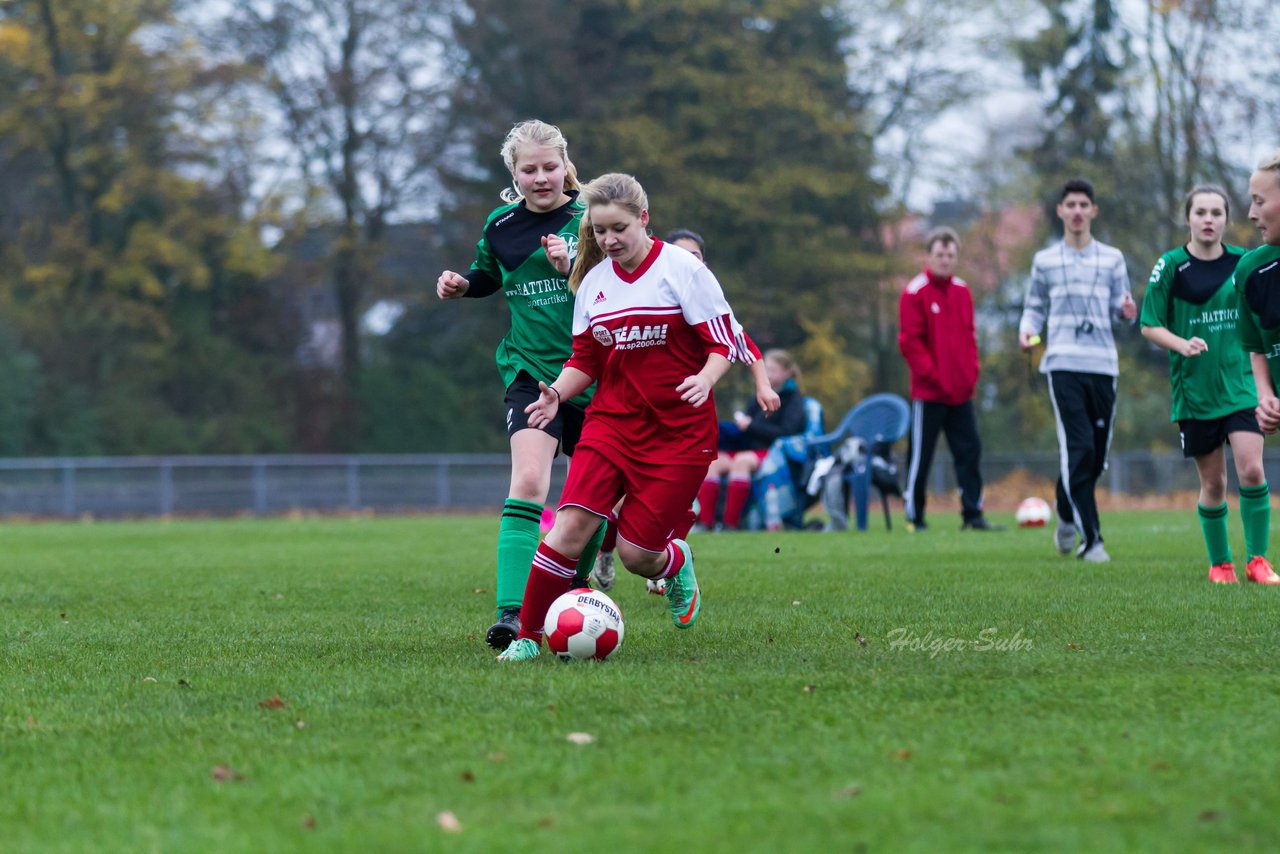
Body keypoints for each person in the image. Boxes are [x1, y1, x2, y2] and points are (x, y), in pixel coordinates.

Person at [497, 172, 753, 662]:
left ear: (644, 219)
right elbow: (585, 361)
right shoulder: (592, 283)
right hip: (611, 423)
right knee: (568, 527)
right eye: (599, 231)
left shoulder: (683, 270)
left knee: (638, 555)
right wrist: (556, 393)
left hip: (679, 434)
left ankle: (675, 563)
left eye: (619, 228)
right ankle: (528, 637)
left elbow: (724, 341)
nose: (609, 240)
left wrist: (705, 378)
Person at [435, 120, 607, 650]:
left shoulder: (592, 219)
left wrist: (571, 266)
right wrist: (463, 285)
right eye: (528, 170)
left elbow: (622, 285)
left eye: (549, 167)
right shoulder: (501, 224)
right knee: (529, 483)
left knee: (587, 497)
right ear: (514, 173)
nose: (540, 178)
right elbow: (487, 274)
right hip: (531, 374)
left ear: (565, 165)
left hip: (595, 375)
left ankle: (573, 593)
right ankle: (511, 614)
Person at [589, 228, 778, 591]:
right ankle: (607, 550)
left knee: (674, 501)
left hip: (684, 422)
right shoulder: (651, 292)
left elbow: (741, 341)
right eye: (682, 254)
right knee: (617, 496)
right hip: (636, 417)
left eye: (696, 256)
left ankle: (663, 561)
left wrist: (763, 384)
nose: (689, 262)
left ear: (704, 264)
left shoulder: (706, 299)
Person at [1141, 186, 1276, 583]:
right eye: (1201, 212)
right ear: (1188, 218)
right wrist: (1182, 344)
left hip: (1241, 385)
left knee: (1251, 469)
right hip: (1196, 392)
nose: (1208, 219)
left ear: (1226, 219)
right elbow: (1149, 325)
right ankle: (1221, 564)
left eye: (1216, 212)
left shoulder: (1245, 263)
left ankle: (1257, 561)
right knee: (1214, 483)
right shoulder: (1169, 266)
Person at [1019, 178, 1138, 562]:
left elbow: (1121, 312)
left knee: (1094, 457)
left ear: (1093, 211)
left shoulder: (1113, 258)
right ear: (1060, 211)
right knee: (1078, 447)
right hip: (1063, 363)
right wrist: (1029, 330)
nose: (1076, 211)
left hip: (1103, 365)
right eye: (1069, 204)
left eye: (1083, 204)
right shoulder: (1045, 261)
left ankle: (1065, 509)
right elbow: (1034, 306)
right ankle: (1094, 541)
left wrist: (1125, 314)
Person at [898, 226, 1002, 532]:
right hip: (929, 393)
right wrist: (933, 375)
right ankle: (915, 517)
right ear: (929, 256)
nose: (945, 260)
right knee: (921, 456)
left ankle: (973, 514)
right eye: (940, 254)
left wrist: (971, 373)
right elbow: (910, 343)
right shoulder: (914, 292)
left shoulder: (962, 291)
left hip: (960, 393)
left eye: (950, 255)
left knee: (970, 451)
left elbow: (970, 336)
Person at [697, 349, 807, 530]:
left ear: (787, 373)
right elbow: (746, 426)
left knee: (741, 462)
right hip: (748, 448)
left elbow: (788, 432)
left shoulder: (794, 399)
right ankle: (706, 524)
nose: (768, 374)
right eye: (766, 369)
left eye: (773, 370)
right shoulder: (760, 394)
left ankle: (730, 524)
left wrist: (751, 426)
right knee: (713, 463)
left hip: (773, 452)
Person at [1238, 152, 1280, 468]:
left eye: (1259, 201)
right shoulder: (1250, 270)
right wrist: (1266, 397)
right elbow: (1257, 350)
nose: (1252, 214)